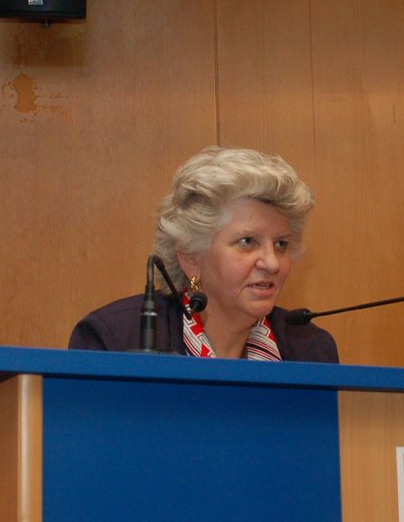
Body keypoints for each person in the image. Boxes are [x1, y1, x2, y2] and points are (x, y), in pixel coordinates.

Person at [69, 146, 339, 362]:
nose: (272, 263)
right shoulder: (115, 337)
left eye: (281, 244)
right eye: (247, 241)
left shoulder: (311, 349)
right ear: (190, 257)